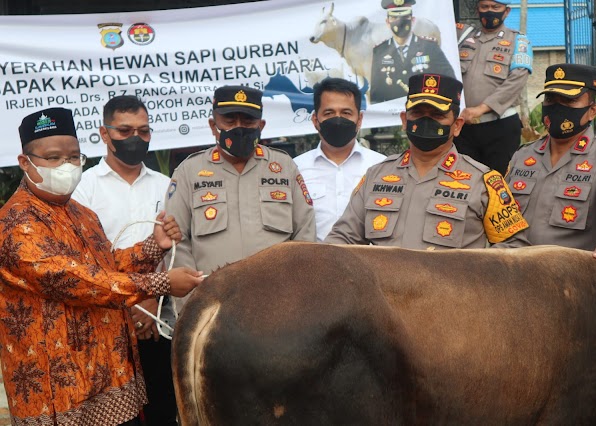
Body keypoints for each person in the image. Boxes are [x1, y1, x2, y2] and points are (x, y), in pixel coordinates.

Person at [0, 107, 203, 426]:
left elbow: (105, 266)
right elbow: (75, 280)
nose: (65, 166)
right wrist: (159, 284)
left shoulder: (82, 213)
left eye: (73, 157)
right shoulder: (15, 224)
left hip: (110, 380)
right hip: (59, 392)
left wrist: (154, 245)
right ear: (25, 163)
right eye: (53, 158)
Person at [325, 73, 529, 249]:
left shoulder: (484, 182)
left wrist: (472, 277)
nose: (426, 121)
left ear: (457, 125)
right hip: (383, 293)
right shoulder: (376, 177)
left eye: (437, 115)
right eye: (418, 113)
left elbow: (514, 246)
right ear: (405, 120)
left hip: (451, 294)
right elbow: (343, 239)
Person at [72, 96, 177, 425]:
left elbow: (175, 252)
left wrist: (150, 301)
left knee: (163, 411)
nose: (136, 138)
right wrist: (129, 301)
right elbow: (84, 263)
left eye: (144, 131)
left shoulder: (167, 186)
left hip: (156, 324)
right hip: (103, 325)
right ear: (105, 134)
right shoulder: (82, 189)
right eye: (125, 130)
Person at [165, 85, 316, 311]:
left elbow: (305, 235)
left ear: (261, 125)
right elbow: (176, 242)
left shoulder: (284, 167)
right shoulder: (189, 171)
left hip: (279, 305)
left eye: (247, 122)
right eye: (229, 121)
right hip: (212, 306)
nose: (239, 128)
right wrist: (193, 306)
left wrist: (296, 298)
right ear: (213, 125)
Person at [505, 64, 596, 273]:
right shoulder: (523, 156)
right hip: (512, 272)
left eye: (568, 100)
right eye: (551, 100)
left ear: (593, 110)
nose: (557, 107)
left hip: (571, 279)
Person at [294, 78, 386, 241]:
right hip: (312, 263)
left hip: (367, 263)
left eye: (346, 113)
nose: (338, 120)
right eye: (329, 113)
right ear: (315, 120)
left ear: (359, 120)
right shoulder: (296, 169)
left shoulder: (382, 167)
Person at [454, 0, 532, 175]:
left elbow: (516, 81)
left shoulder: (518, 40)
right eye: (485, 7)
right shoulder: (462, 37)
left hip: (500, 127)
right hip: (464, 127)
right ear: (478, 10)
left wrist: (481, 109)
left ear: (506, 11)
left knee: (498, 182)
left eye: (495, 8)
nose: (490, 12)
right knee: (465, 181)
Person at [370, 0, 455, 104]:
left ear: (412, 20)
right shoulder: (379, 51)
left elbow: (450, 81)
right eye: (394, 18)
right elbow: (376, 95)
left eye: (405, 17)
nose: (400, 22)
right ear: (387, 22)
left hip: (425, 113)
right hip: (392, 117)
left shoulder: (429, 47)